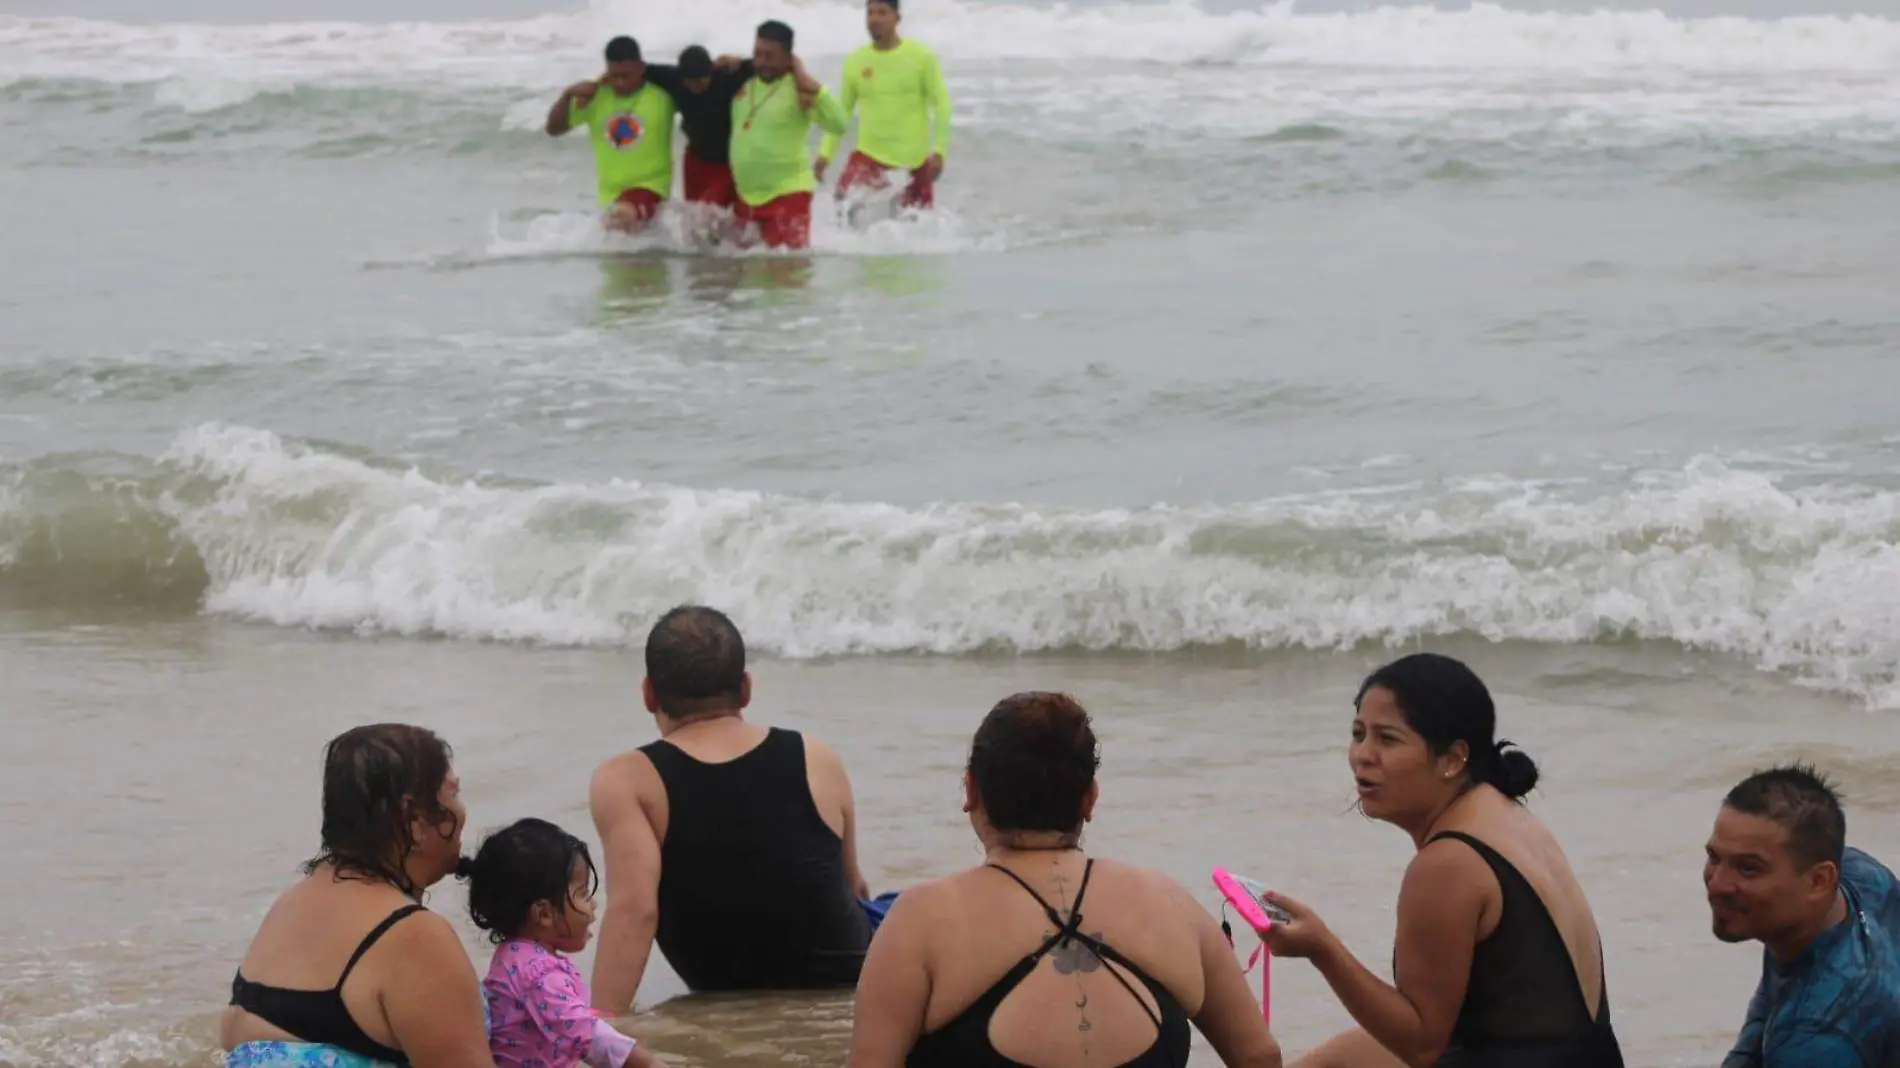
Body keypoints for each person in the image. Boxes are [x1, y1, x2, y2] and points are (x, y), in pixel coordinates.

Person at [847, 691, 1284, 1068]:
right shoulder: (1170, 904)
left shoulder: (920, 922)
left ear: (972, 791)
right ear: (1089, 798)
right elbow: (1259, 1058)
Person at [1260, 653, 1625, 1068]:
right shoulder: (1506, 814)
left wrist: (1321, 948)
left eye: (1388, 739)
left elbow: (1421, 1045)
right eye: (1359, 734)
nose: (1363, 754)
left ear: (1452, 759)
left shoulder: (1448, 862)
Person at [587, 605, 890, 1015]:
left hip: (723, 985)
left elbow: (635, 912)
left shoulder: (626, 780)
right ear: (746, 689)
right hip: (847, 981)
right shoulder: (814, 755)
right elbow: (854, 887)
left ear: (648, 694)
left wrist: (595, 1031)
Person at [221, 724, 495, 1068]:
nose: (462, 810)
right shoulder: (413, 936)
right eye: (453, 793)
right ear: (413, 816)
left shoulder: (290, 904)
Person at [1707, 763, 1900, 1068]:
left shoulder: (1816, 1036)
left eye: (1748, 868)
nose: (1717, 884)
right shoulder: (1861, 876)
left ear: (1818, 881)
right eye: (1714, 857)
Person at [460, 818, 661, 1068]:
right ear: (543, 913)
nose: (592, 905)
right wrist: (648, 1063)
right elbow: (586, 1035)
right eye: (583, 893)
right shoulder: (537, 973)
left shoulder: (512, 958)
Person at [816, 0, 953, 216]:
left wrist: (940, 151)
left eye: (882, 13)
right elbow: (841, 113)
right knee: (842, 204)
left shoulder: (921, 57)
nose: (875, 19)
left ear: (897, 18)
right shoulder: (856, 61)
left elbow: (942, 105)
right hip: (870, 156)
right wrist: (825, 154)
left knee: (918, 227)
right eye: (870, 13)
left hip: (912, 161)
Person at [728, 21, 847, 251]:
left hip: (788, 195)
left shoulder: (799, 89)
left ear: (787, 58)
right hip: (747, 197)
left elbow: (839, 124)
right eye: (757, 54)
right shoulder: (743, 83)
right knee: (749, 278)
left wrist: (817, 90)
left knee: (787, 274)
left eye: (769, 56)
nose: (761, 62)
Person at [545, 36, 677, 233]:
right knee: (625, 254)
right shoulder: (594, 97)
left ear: (641, 68)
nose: (621, 82)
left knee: (620, 221)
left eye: (627, 75)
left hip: (652, 188)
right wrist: (567, 95)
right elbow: (553, 129)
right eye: (615, 76)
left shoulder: (662, 95)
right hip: (610, 196)